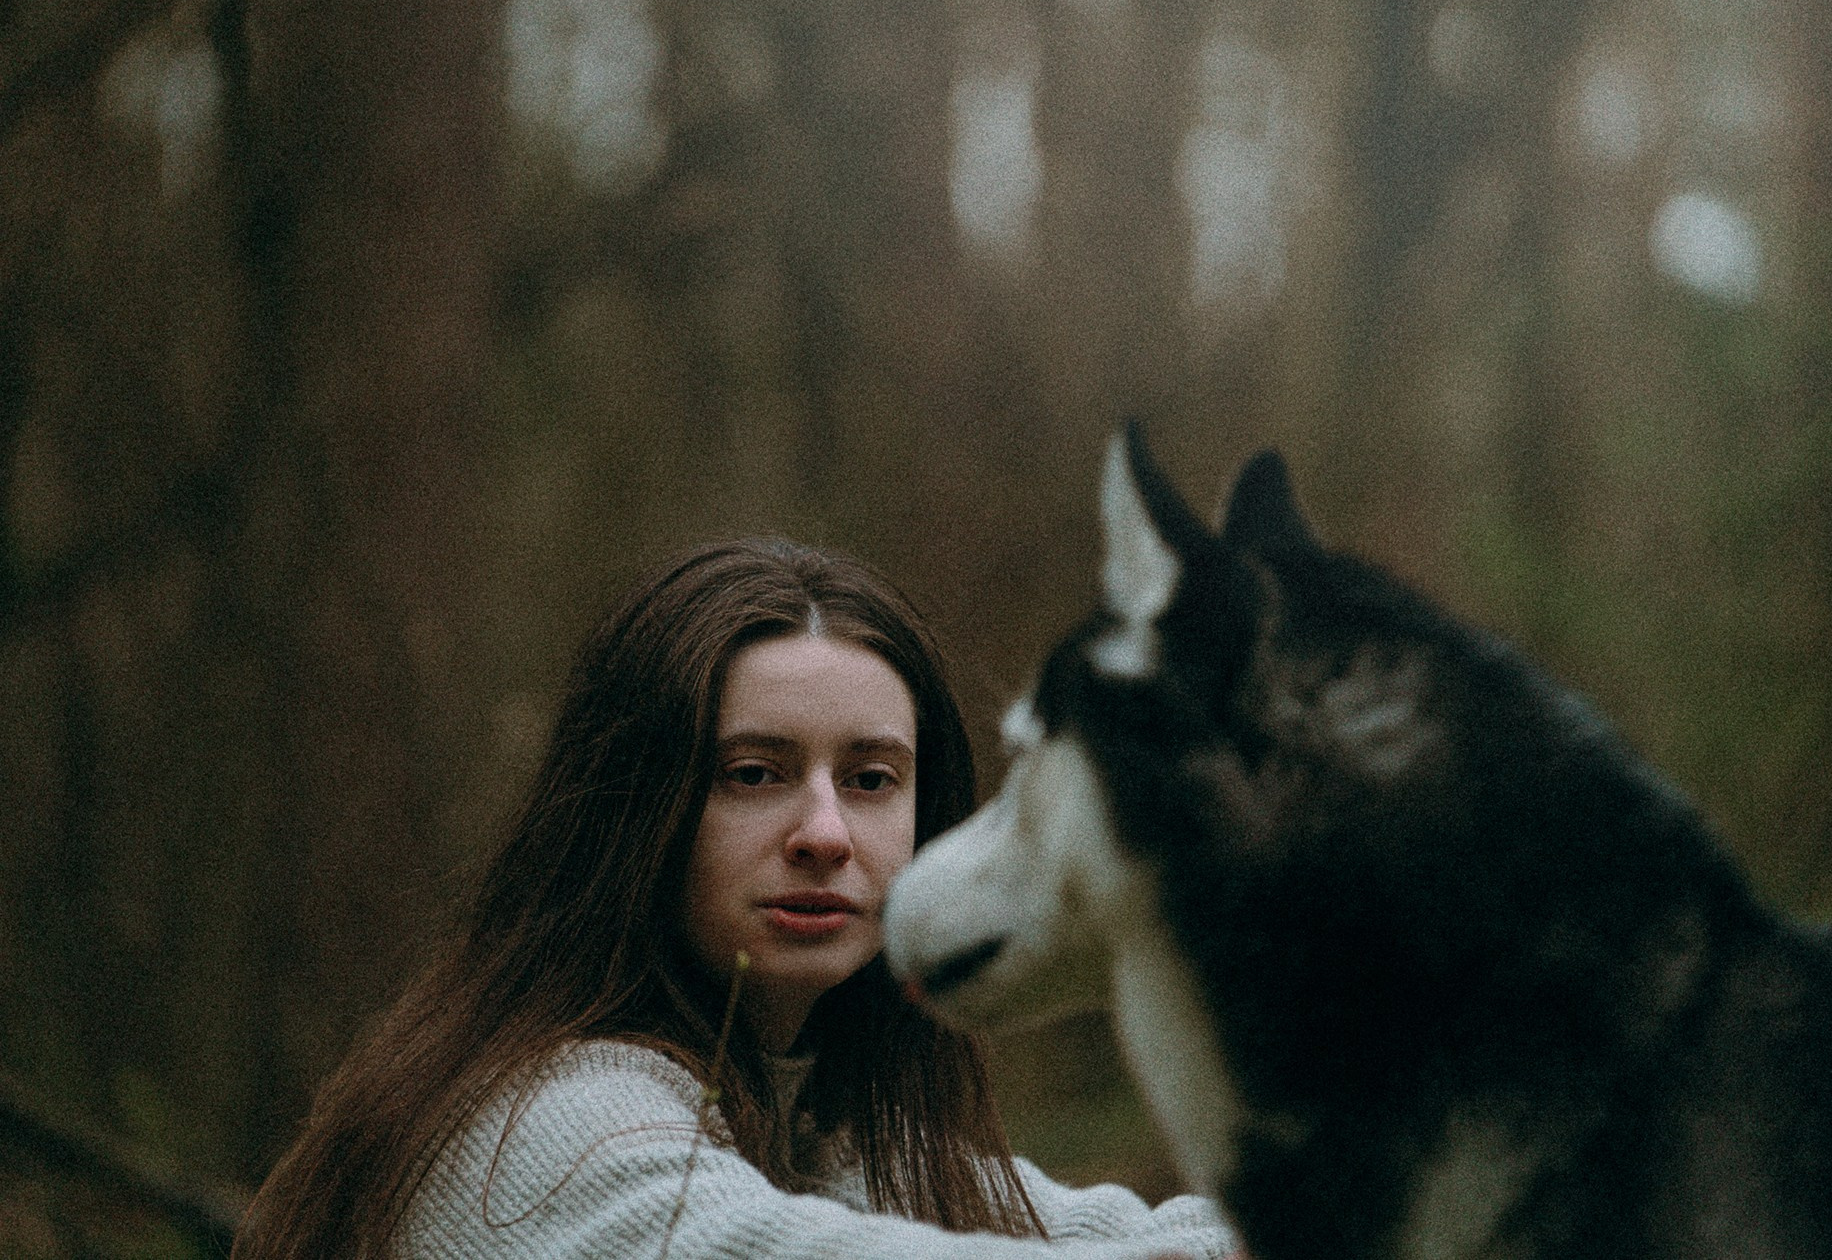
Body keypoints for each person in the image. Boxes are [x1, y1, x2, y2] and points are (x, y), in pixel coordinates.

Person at [234, 538, 1238, 1260]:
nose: (824, 832)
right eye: (753, 773)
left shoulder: (823, 1125)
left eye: (871, 778)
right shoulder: (539, 1122)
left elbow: (1112, 1231)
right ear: (636, 809)